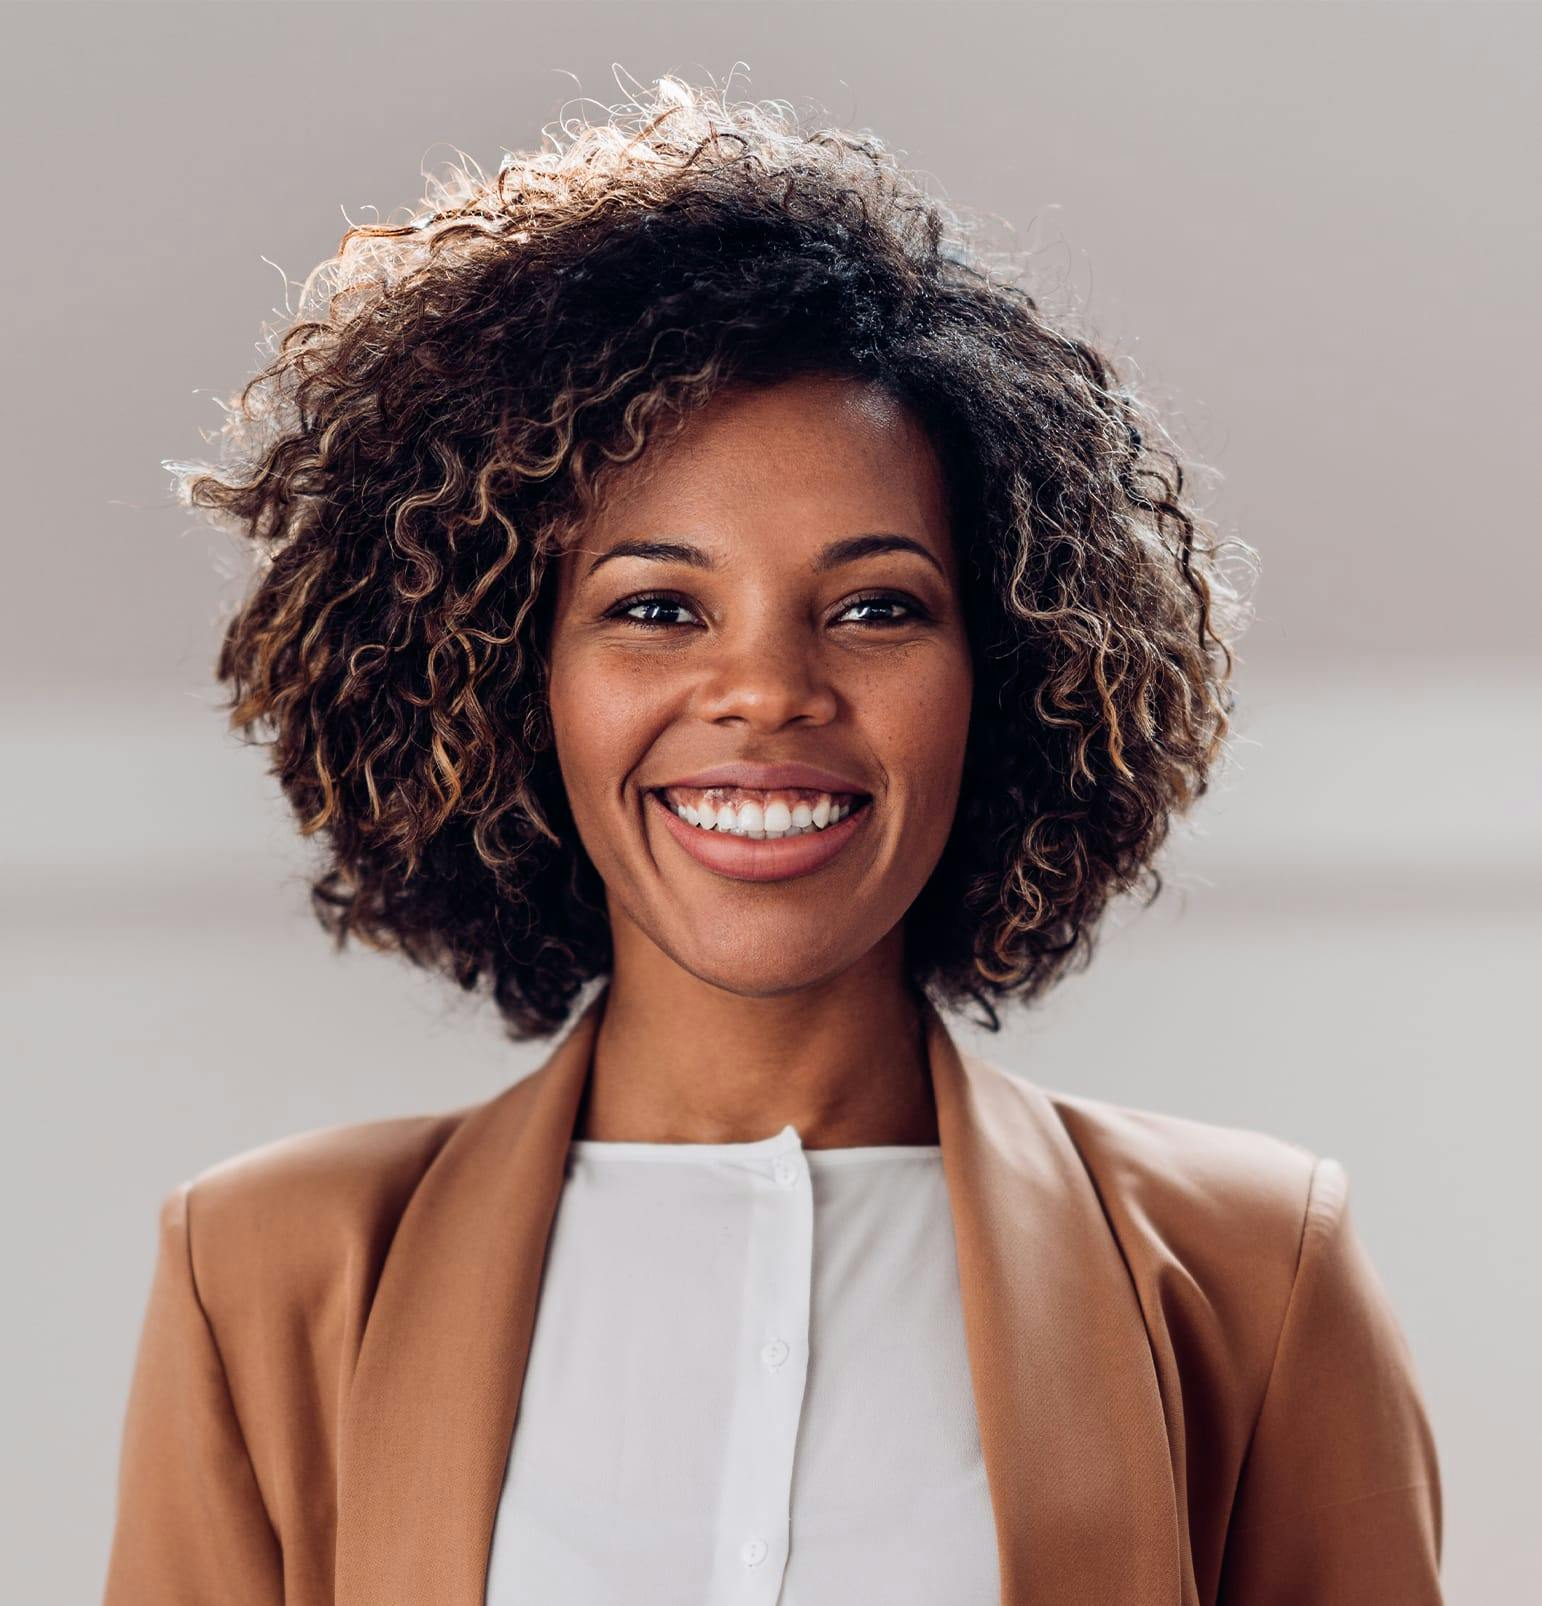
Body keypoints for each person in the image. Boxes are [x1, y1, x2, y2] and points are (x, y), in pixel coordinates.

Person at [103, 76, 1443, 1605]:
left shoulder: (1252, 1276)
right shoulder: (270, 1271)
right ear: (506, 673)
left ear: (995, 675)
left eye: (876, 605)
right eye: (655, 607)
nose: (765, 691)